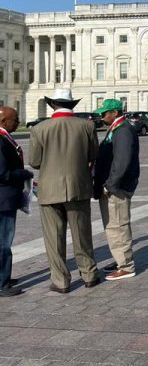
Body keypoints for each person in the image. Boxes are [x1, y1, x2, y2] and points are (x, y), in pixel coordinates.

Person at [28, 88, 100, 294]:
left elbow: (34, 162)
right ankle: (89, 274)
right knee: (82, 234)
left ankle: (60, 280)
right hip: (78, 186)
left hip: (49, 188)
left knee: (54, 237)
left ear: (52, 105)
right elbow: (93, 154)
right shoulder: (87, 125)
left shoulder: (40, 129)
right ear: (72, 105)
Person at [93, 98, 140, 281]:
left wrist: (110, 184)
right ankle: (119, 258)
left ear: (115, 112)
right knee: (112, 225)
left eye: (104, 113)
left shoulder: (123, 130)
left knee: (118, 225)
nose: (101, 115)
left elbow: (122, 161)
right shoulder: (116, 128)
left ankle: (126, 266)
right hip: (113, 186)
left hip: (117, 187)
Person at [0, 106, 34, 296]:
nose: (18, 122)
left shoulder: (5, 138)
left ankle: (4, 275)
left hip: (5, 198)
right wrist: (24, 173)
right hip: (3, 199)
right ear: (4, 121)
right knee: (4, 242)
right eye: (15, 119)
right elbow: (2, 174)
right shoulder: (1, 140)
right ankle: (2, 284)